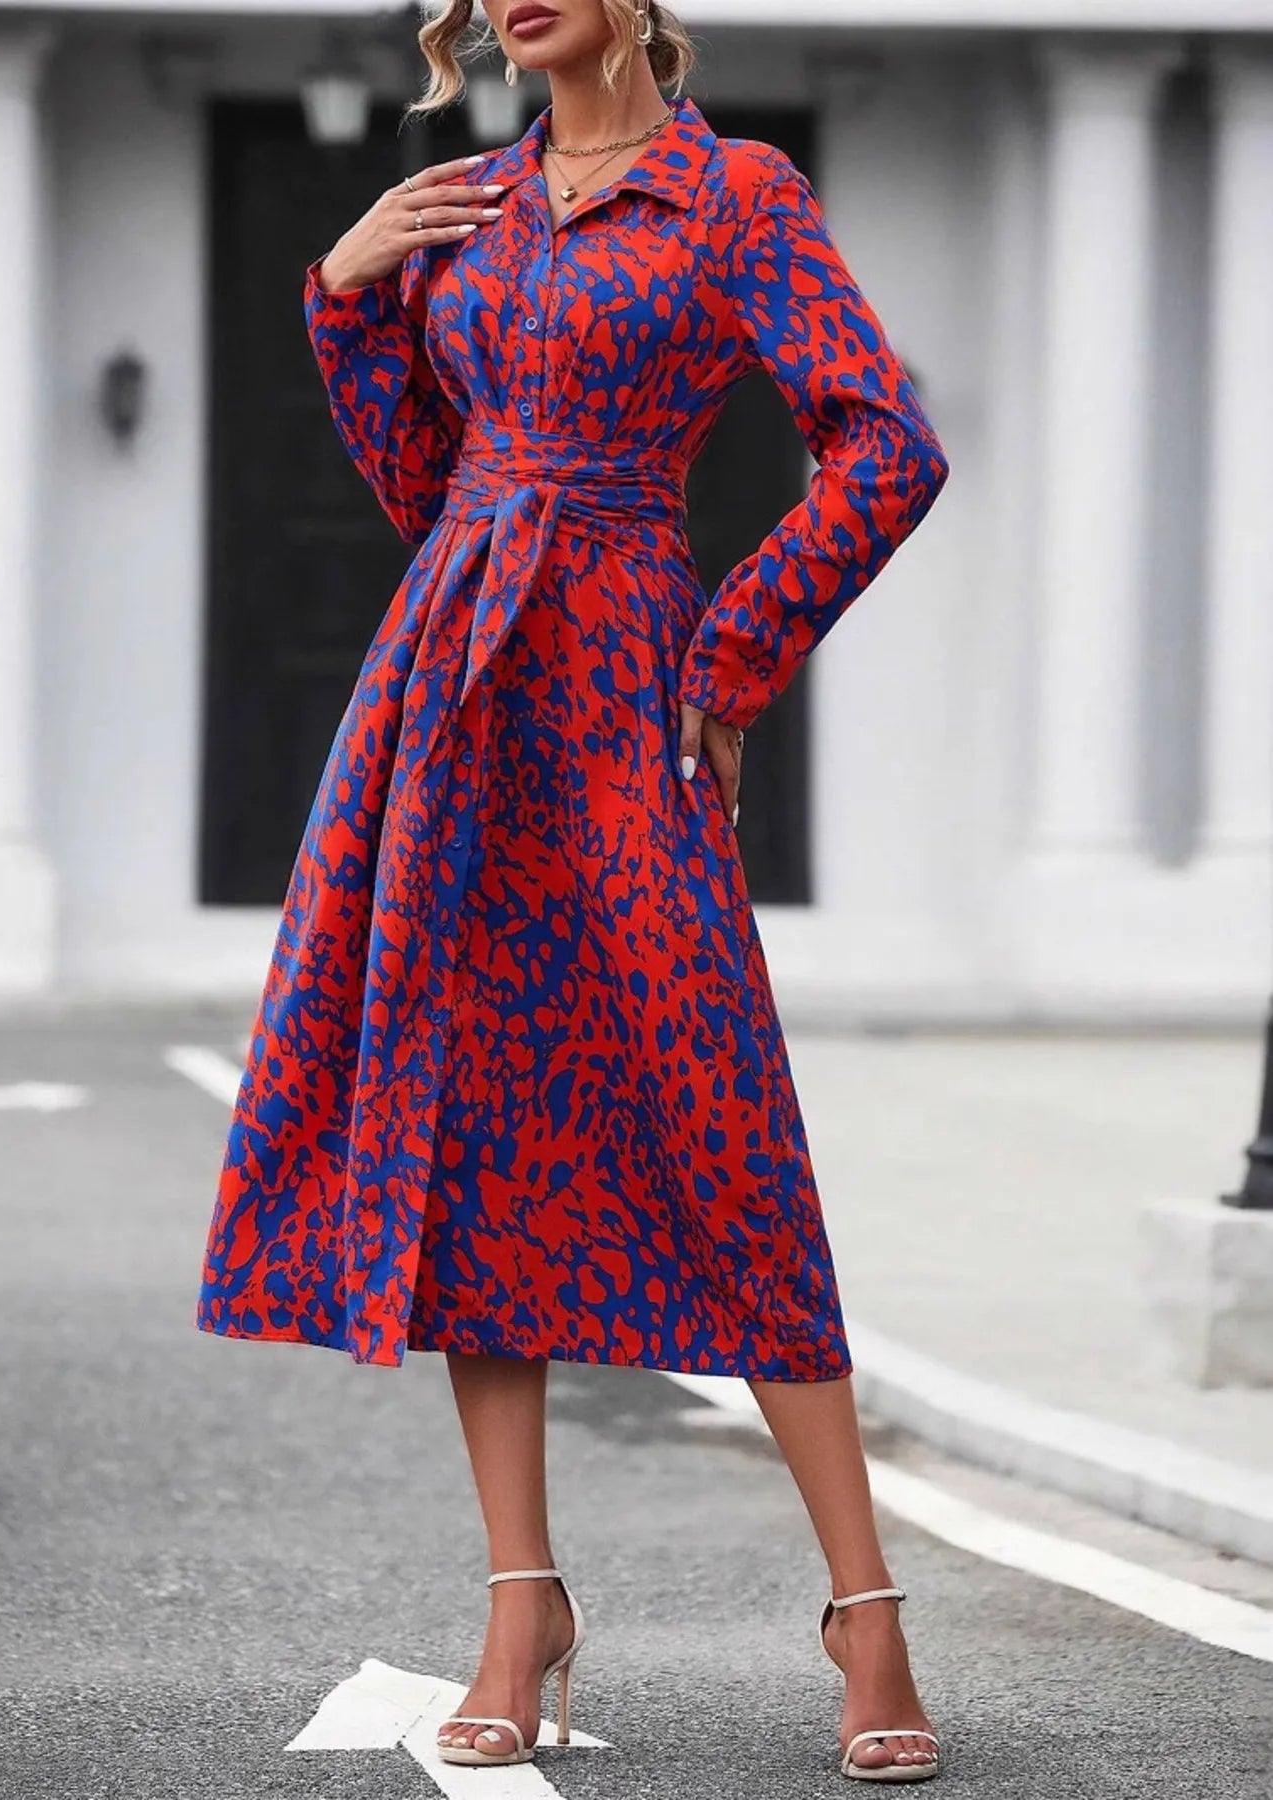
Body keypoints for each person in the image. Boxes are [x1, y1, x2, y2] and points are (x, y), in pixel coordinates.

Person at [196, 0, 950, 1781]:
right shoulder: (464, 199)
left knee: (721, 1118)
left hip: (622, 678)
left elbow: (886, 444)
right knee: (468, 1129)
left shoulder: (731, 191)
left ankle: (865, 1610)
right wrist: (341, 286)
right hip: (448, 690)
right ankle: (519, 1600)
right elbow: (418, 481)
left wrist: (729, 654)